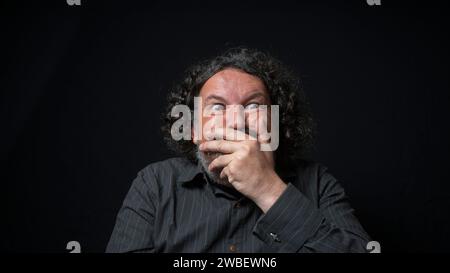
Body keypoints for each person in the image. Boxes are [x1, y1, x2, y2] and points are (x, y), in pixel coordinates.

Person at [106, 48, 370, 253]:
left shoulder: (317, 182)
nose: (235, 122)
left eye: (253, 106)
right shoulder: (155, 184)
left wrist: (267, 189)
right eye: (217, 107)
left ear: (276, 123)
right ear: (194, 129)